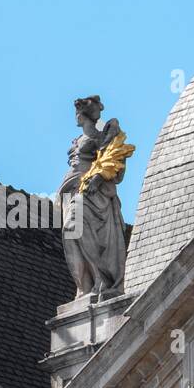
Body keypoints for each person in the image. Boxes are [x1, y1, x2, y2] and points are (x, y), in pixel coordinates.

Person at [57, 96, 131, 298]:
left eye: (78, 113)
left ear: (85, 115)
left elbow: (113, 160)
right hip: (71, 190)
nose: (76, 117)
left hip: (88, 191)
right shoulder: (78, 140)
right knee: (70, 233)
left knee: (74, 226)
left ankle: (101, 276)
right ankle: (84, 286)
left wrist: (98, 178)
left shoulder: (101, 137)